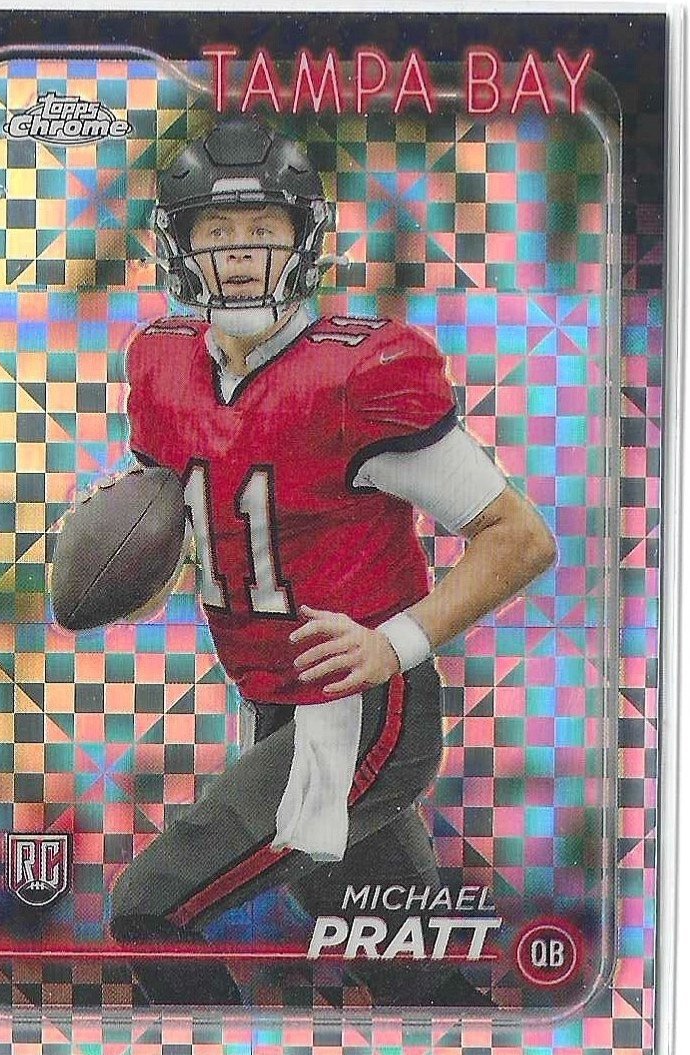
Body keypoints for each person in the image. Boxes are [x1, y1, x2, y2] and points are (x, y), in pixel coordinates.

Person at [109, 117, 557, 1007]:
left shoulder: (359, 373)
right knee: (399, 963)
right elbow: (181, 516)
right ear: (180, 244)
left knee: (149, 907)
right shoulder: (162, 364)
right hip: (274, 704)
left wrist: (396, 641)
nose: (241, 252)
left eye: (263, 228)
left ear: (303, 238)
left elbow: (520, 536)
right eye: (216, 229)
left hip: (360, 710)